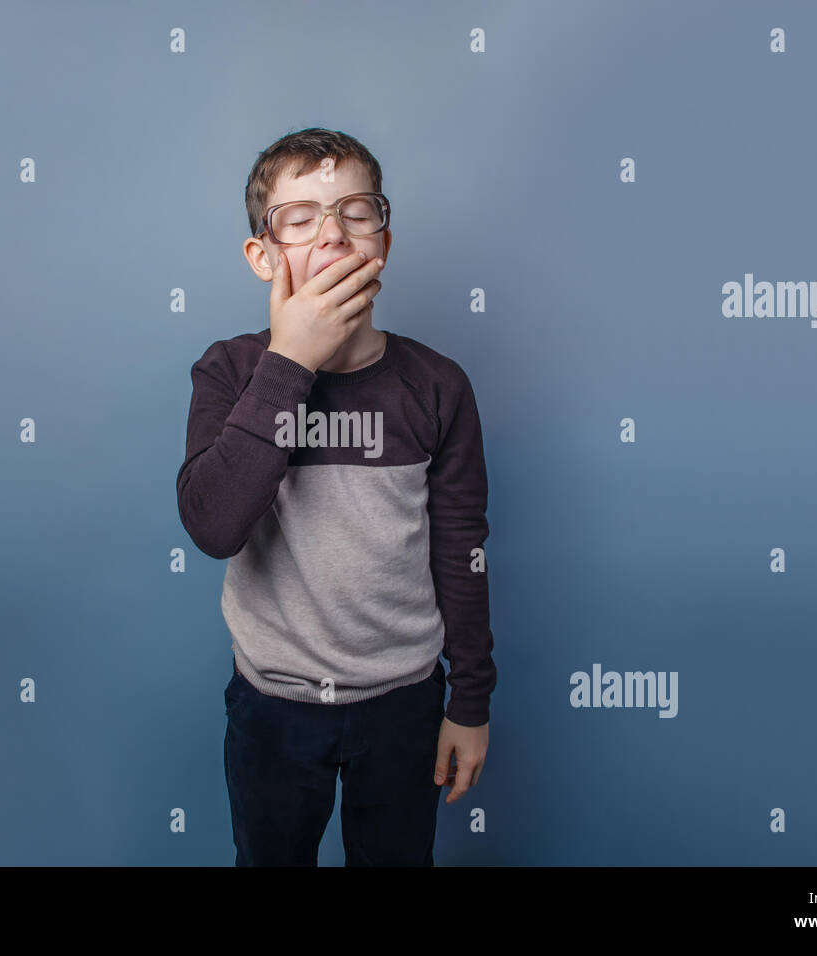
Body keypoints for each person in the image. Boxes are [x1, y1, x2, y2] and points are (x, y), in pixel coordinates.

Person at [176, 127, 496, 866]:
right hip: (273, 703)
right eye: (301, 216)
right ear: (263, 255)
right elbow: (214, 524)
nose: (331, 230)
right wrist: (290, 359)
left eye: (355, 210)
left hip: (405, 700)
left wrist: (470, 702)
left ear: (383, 239)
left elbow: (463, 549)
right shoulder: (229, 373)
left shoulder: (438, 385)